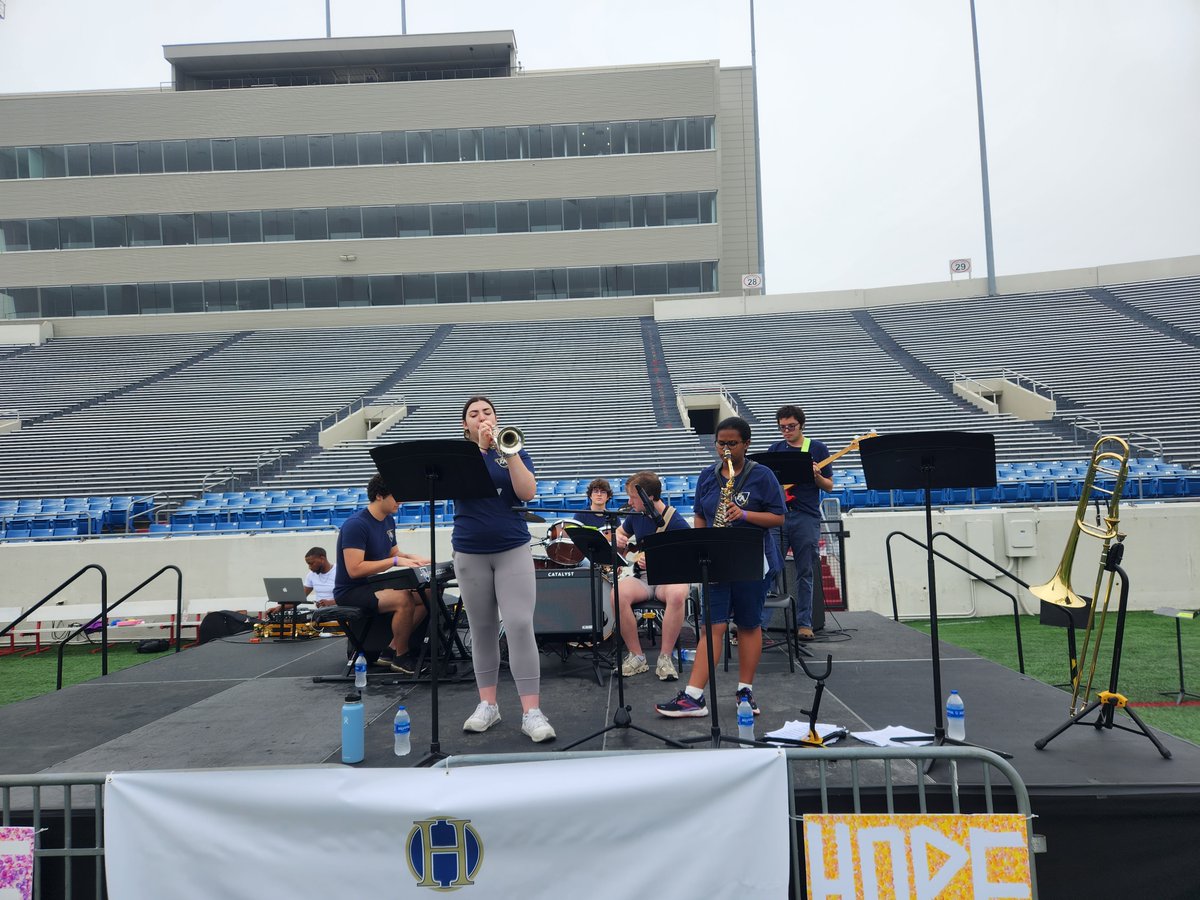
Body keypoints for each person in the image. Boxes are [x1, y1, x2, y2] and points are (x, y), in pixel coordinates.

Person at [656, 416, 784, 719]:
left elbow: (778, 518)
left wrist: (744, 514)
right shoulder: (707, 476)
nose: (725, 449)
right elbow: (700, 514)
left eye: (732, 443)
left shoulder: (762, 475)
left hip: (751, 558)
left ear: (746, 444)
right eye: (720, 443)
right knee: (711, 627)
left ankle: (745, 691)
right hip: (716, 561)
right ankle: (694, 697)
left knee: (749, 625)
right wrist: (703, 542)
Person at [453, 395, 556, 743]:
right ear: (465, 425)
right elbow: (462, 488)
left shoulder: (514, 448)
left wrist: (507, 453)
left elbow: (527, 493)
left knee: (519, 624)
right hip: (470, 550)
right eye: (473, 414)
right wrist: (481, 451)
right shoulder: (461, 456)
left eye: (487, 412)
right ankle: (488, 704)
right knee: (481, 628)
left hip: (511, 547)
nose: (481, 417)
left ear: (496, 418)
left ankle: (531, 711)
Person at [333, 474, 431, 675]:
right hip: (352, 590)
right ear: (379, 496)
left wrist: (415, 559)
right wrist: (394, 561)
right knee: (403, 599)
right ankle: (401, 658)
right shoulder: (356, 525)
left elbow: (394, 553)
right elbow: (355, 569)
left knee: (429, 593)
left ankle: (392, 649)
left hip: (375, 585)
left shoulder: (388, 521)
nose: (400, 501)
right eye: (396, 496)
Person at [613, 471, 690, 681]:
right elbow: (621, 534)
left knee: (676, 595)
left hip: (670, 577)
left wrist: (660, 560)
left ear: (649, 497)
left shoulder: (676, 521)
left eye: (633, 497)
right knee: (616, 594)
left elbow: (688, 557)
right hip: (645, 578)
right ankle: (637, 656)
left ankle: (665, 658)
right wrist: (619, 539)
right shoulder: (635, 516)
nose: (629, 502)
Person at [767, 405, 833, 641]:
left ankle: (804, 623)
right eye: (782, 427)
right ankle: (762, 623)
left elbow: (829, 486)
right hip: (778, 515)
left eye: (791, 427)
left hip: (805, 515)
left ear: (801, 425)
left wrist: (815, 475)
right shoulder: (774, 449)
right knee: (771, 568)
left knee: (805, 570)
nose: (786, 431)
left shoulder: (817, 448)